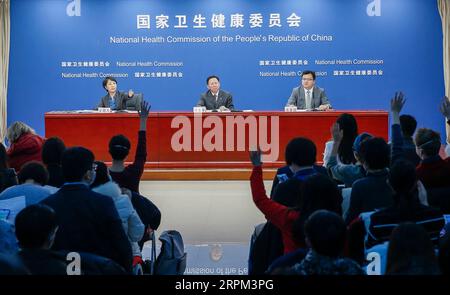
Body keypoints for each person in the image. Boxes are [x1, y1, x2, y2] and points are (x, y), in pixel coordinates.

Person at [40, 147, 132, 272]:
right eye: (93, 168)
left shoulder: (46, 204)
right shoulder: (103, 203)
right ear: (88, 174)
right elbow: (122, 245)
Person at [109, 101, 150, 193]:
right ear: (127, 153)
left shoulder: (103, 174)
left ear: (109, 151)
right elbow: (141, 154)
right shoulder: (134, 171)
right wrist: (143, 121)